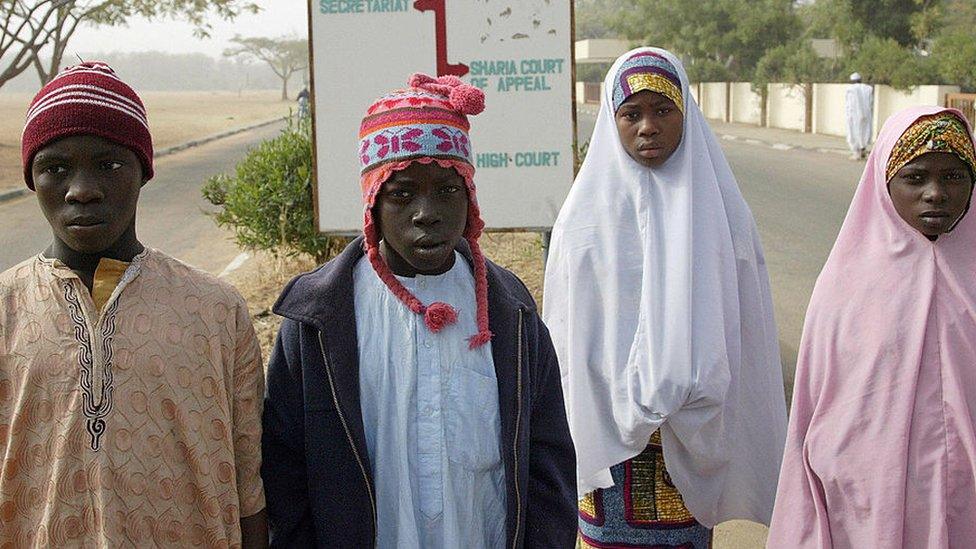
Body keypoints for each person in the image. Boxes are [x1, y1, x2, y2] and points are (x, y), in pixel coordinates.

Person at [261, 73, 577, 547]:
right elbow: (286, 469)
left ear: (469, 195)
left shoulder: (511, 313)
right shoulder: (319, 321)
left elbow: (547, 456)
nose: (426, 212)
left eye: (447, 190)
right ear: (373, 203)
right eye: (402, 193)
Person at [0, 62, 267, 547]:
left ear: (143, 170)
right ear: (30, 178)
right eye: (55, 168)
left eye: (109, 164)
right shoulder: (4, 309)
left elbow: (249, 485)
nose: (82, 190)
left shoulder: (215, 309)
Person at [543, 47, 788, 549]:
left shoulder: (722, 216)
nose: (647, 127)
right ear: (613, 121)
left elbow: (745, 333)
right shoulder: (584, 221)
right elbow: (567, 336)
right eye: (631, 114)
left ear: (687, 114)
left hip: (693, 434)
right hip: (609, 438)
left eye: (663, 110)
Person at [767, 106, 976, 548]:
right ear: (883, 182)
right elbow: (813, 411)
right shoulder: (846, 288)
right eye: (915, 177)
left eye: (954, 177)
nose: (935, 193)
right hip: (866, 501)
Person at [846, 72, 874, 160]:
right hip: (866, 114)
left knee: (854, 133)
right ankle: (863, 150)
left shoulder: (850, 89)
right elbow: (871, 102)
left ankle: (856, 153)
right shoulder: (868, 88)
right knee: (864, 132)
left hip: (854, 115)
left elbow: (849, 104)